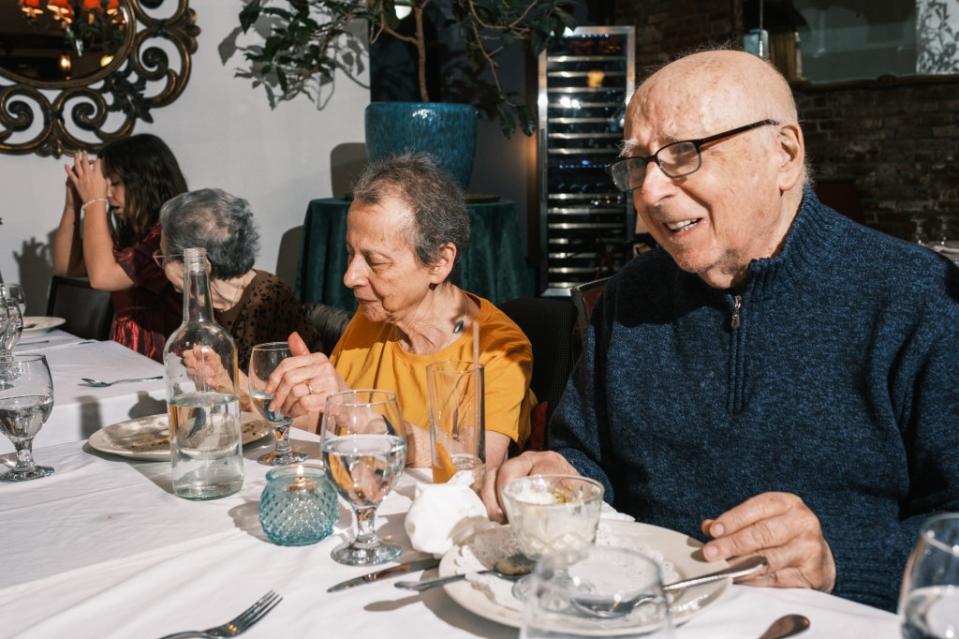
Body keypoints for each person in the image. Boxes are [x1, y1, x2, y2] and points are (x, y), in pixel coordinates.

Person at [483, 49, 959, 612]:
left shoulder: (917, 298)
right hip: (637, 615)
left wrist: (840, 558)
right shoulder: (631, 296)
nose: (651, 193)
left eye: (683, 154)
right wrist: (562, 476)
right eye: (639, 164)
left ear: (783, 154)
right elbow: (588, 457)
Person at [265, 153, 535, 471]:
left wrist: (359, 412)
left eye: (375, 261)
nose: (349, 277)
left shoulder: (497, 349)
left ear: (439, 262)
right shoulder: (372, 319)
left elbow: (477, 465)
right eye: (350, 254)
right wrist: (244, 392)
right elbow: (330, 424)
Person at [51, 134, 187, 361]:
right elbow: (66, 267)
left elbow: (102, 277)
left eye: (114, 183)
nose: (107, 193)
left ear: (144, 181)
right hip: (127, 350)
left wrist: (94, 201)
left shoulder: (167, 233)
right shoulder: (133, 233)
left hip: (162, 357)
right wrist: (73, 202)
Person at [157, 188, 322, 371]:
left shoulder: (267, 302)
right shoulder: (195, 303)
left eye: (164, 257)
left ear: (200, 265)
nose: (160, 266)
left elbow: (268, 390)